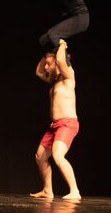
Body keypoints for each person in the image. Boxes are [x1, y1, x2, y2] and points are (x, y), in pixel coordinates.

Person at [30, 39, 81, 200]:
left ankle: (75, 191)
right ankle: (47, 190)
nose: (46, 67)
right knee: (40, 157)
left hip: (67, 124)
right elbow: (38, 72)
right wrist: (46, 52)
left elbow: (60, 60)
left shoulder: (68, 76)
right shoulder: (53, 80)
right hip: (54, 126)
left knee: (58, 155)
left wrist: (62, 45)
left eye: (49, 64)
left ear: (58, 65)